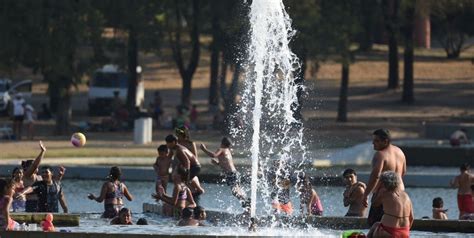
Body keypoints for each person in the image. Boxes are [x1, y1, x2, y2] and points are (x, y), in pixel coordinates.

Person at [363, 129, 407, 226]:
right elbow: (403, 172)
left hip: (383, 196)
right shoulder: (400, 152)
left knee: (375, 225)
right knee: (394, 227)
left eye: (376, 141)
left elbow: (375, 176)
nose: (373, 143)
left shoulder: (380, 155)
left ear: (385, 141)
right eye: (373, 140)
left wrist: (366, 195)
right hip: (401, 194)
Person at [200, 137, 249, 209]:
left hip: (231, 174)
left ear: (222, 143)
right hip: (234, 173)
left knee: (235, 192)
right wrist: (217, 163)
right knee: (237, 191)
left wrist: (204, 149)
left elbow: (214, 155)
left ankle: (246, 202)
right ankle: (246, 203)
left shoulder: (221, 149)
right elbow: (226, 164)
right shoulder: (227, 151)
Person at [367, 171, 413, 238]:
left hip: (388, 232)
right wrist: (404, 231)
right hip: (404, 232)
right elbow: (411, 218)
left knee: (375, 226)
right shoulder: (406, 195)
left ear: (383, 183)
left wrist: (377, 188)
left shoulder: (384, 193)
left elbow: (374, 203)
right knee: (377, 224)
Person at [175, 127, 205, 202]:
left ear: (184, 135)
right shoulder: (177, 144)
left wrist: (188, 167)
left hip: (191, 165)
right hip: (182, 166)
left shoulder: (191, 143)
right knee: (181, 181)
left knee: (186, 179)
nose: (178, 137)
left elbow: (195, 156)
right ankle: (189, 197)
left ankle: (198, 190)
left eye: (179, 135)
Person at [22, 141, 46, 212]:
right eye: (32, 166)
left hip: (41, 204)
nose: (36, 167)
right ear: (27, 168)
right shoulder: (27, 175)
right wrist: (42, 152)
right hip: (31, 204)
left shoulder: (39, 177)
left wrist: (60, 176)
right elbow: (35, 165)